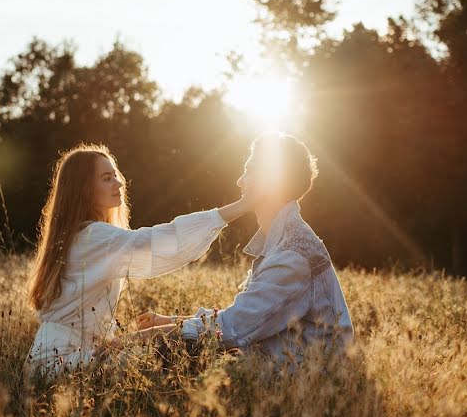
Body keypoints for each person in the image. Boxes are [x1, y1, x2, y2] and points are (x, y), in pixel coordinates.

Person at [23, 142, 251, 378]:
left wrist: (124, 340)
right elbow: (158, 240)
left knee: (170, 345)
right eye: (107, 178)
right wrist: (242, 206)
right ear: (84, 189)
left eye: (115, 175)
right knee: (177, 349)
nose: (119, 183)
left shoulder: (81, 235)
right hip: (61, 363)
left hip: (60, 358)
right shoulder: (92, 236)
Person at [136, 132, 355, 366]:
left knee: (170, 352)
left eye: (249, 171)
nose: (239, 181)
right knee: (178, 348)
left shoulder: (293, 254)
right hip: (284, 361)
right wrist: (170, 321)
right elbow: (246, 314)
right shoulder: (282, 239)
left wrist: (148, 336)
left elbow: (235, 327)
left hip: (310, 377)